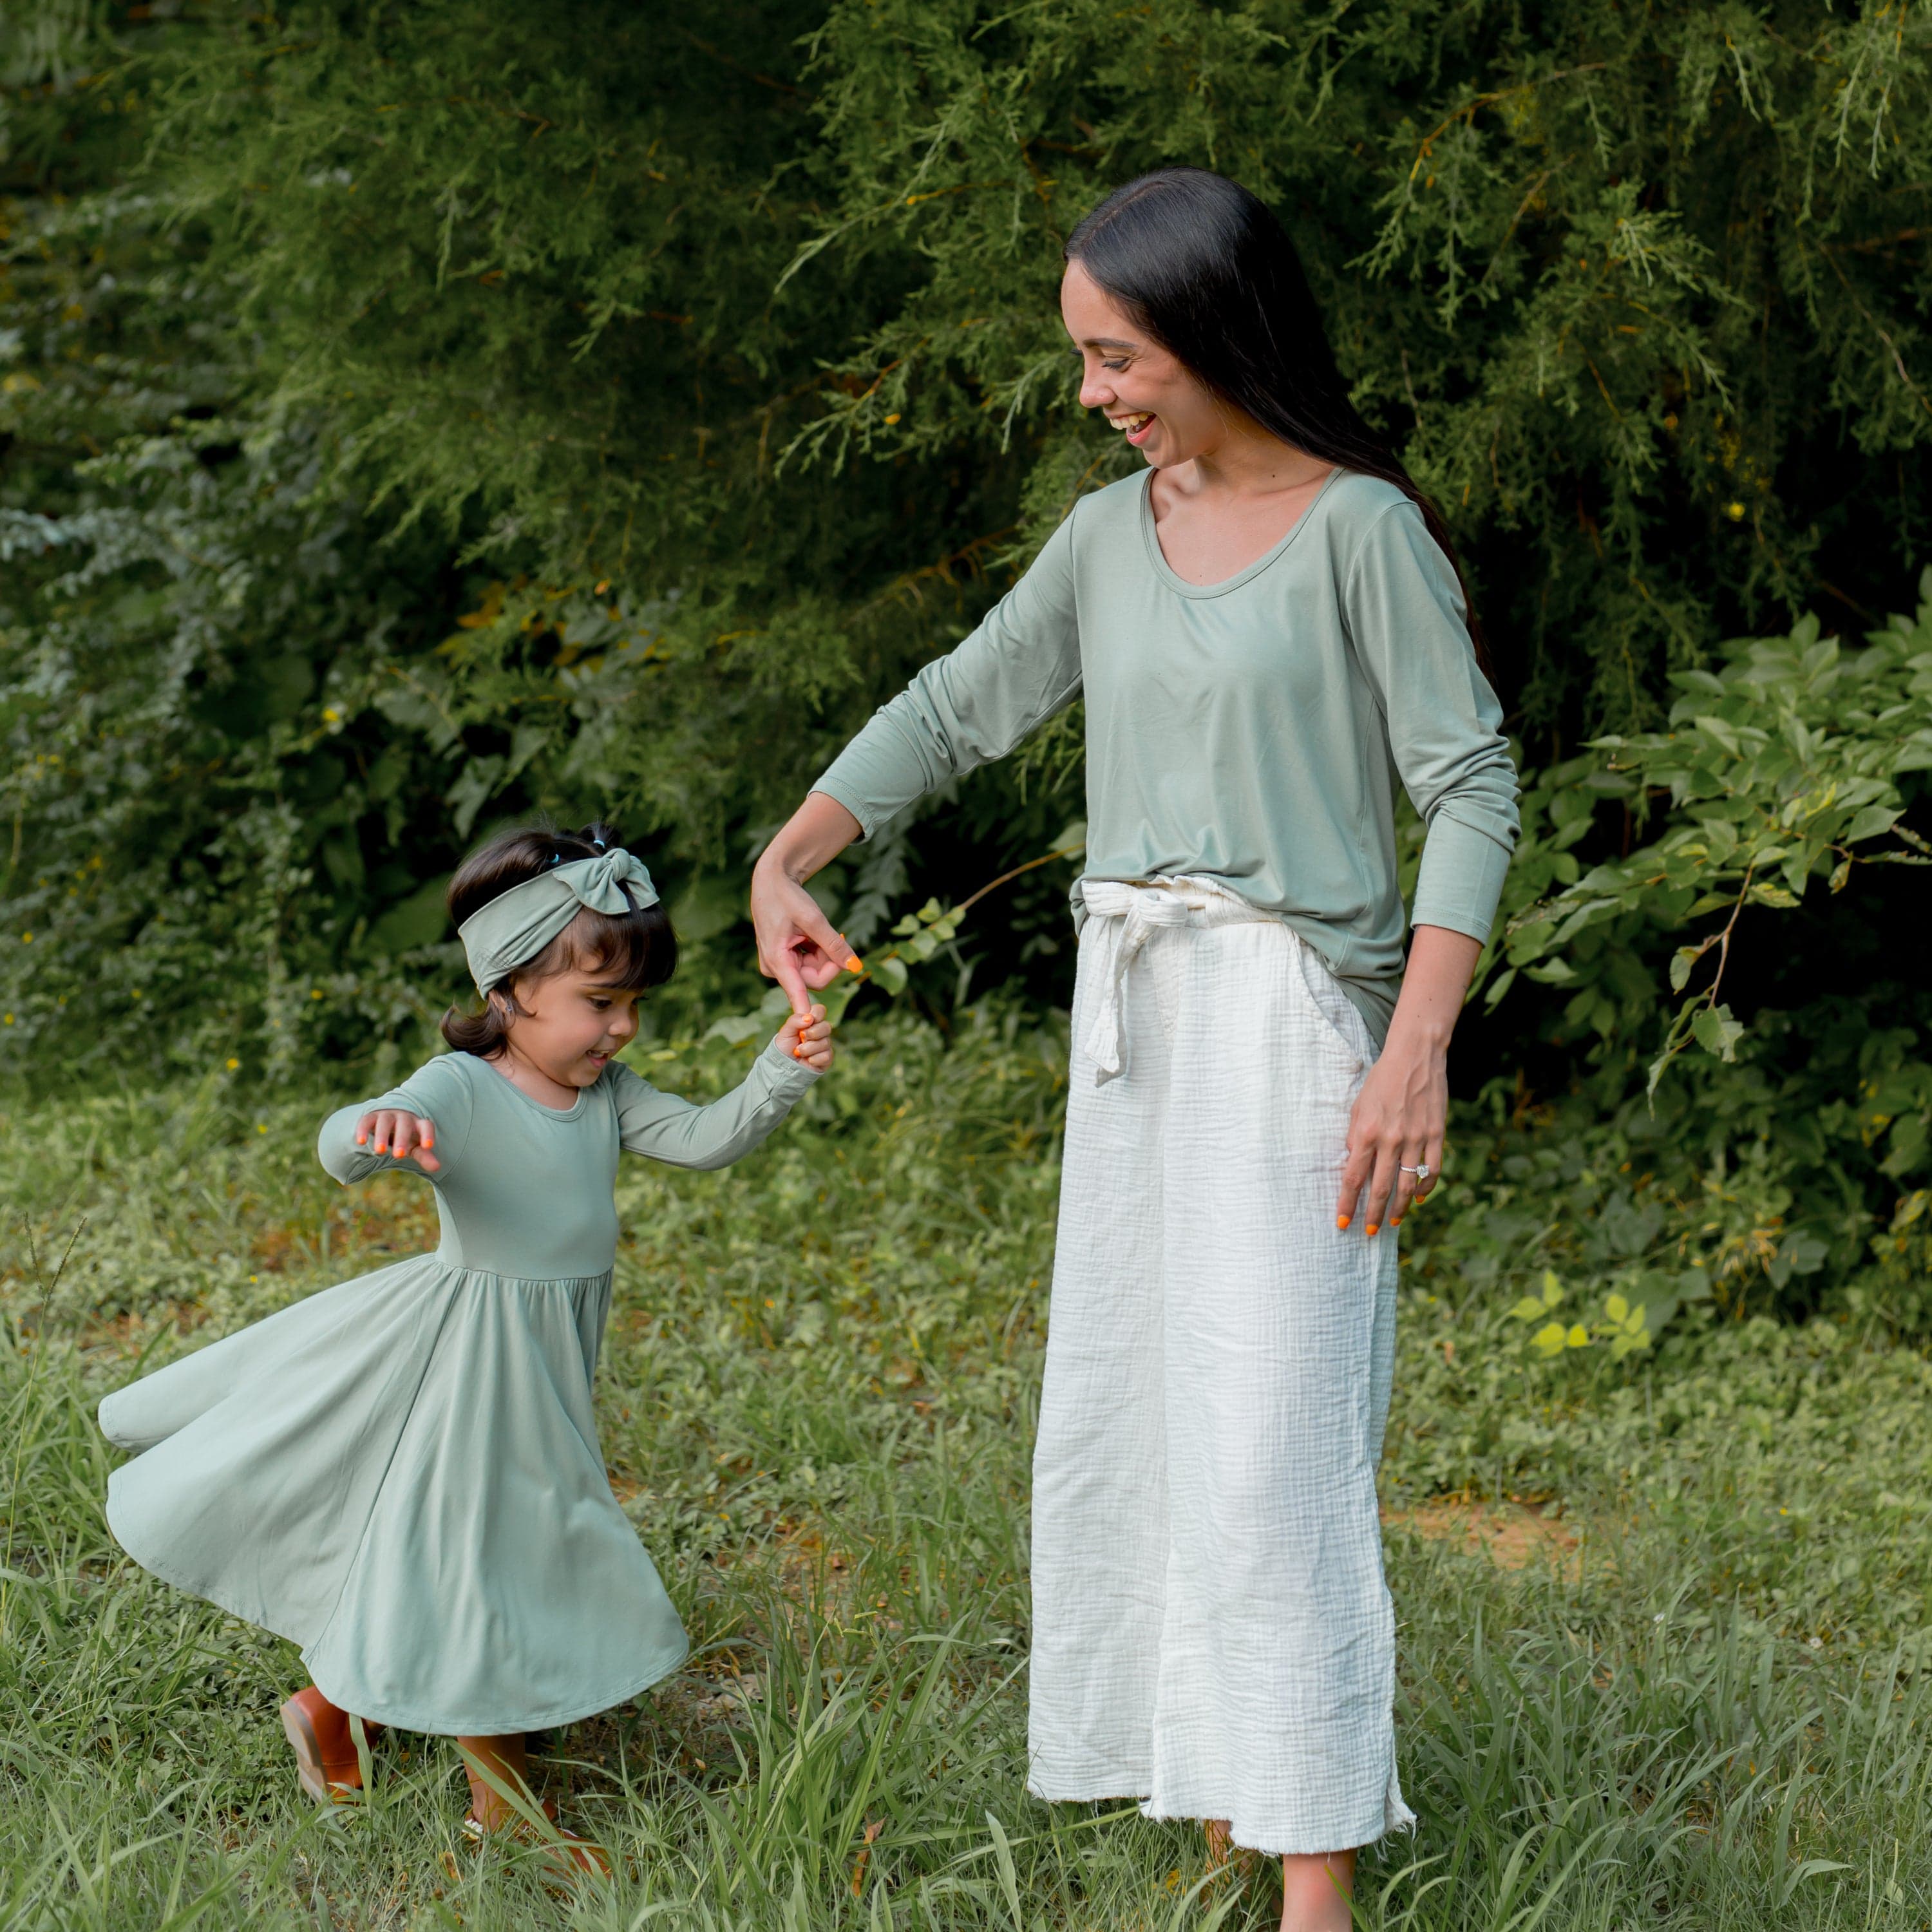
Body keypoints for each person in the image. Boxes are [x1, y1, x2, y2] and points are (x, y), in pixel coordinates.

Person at [750, 169, 1519, 1930]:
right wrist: (792, 853)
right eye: (1085, 358)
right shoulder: (1112, 537)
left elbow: (1471, 787)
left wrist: (1417, 1051)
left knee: (1275, 1439)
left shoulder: (1358, 531)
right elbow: (957, 701)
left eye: (1118, 355)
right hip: (1137, 1023)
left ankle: (1313, 1878)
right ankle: (1211, 1780)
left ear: (1214, 330)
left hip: (1300, 1022)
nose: (1095, 391)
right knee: (1145, 1412)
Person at [99, 822, 833, 1878]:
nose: (621, 1028)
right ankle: (506, 1815)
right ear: (508, 990)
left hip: (544, 1360)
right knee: (494, 1562)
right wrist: (376, 1132)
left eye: (632, 1004)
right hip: (476, 1359)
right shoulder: (461, 1084)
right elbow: (349, 1133)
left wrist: (780, 1070)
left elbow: (705, 1137)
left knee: (442, 1547)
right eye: (598, 1001)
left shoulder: (605, 1096)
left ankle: (332, 1711)